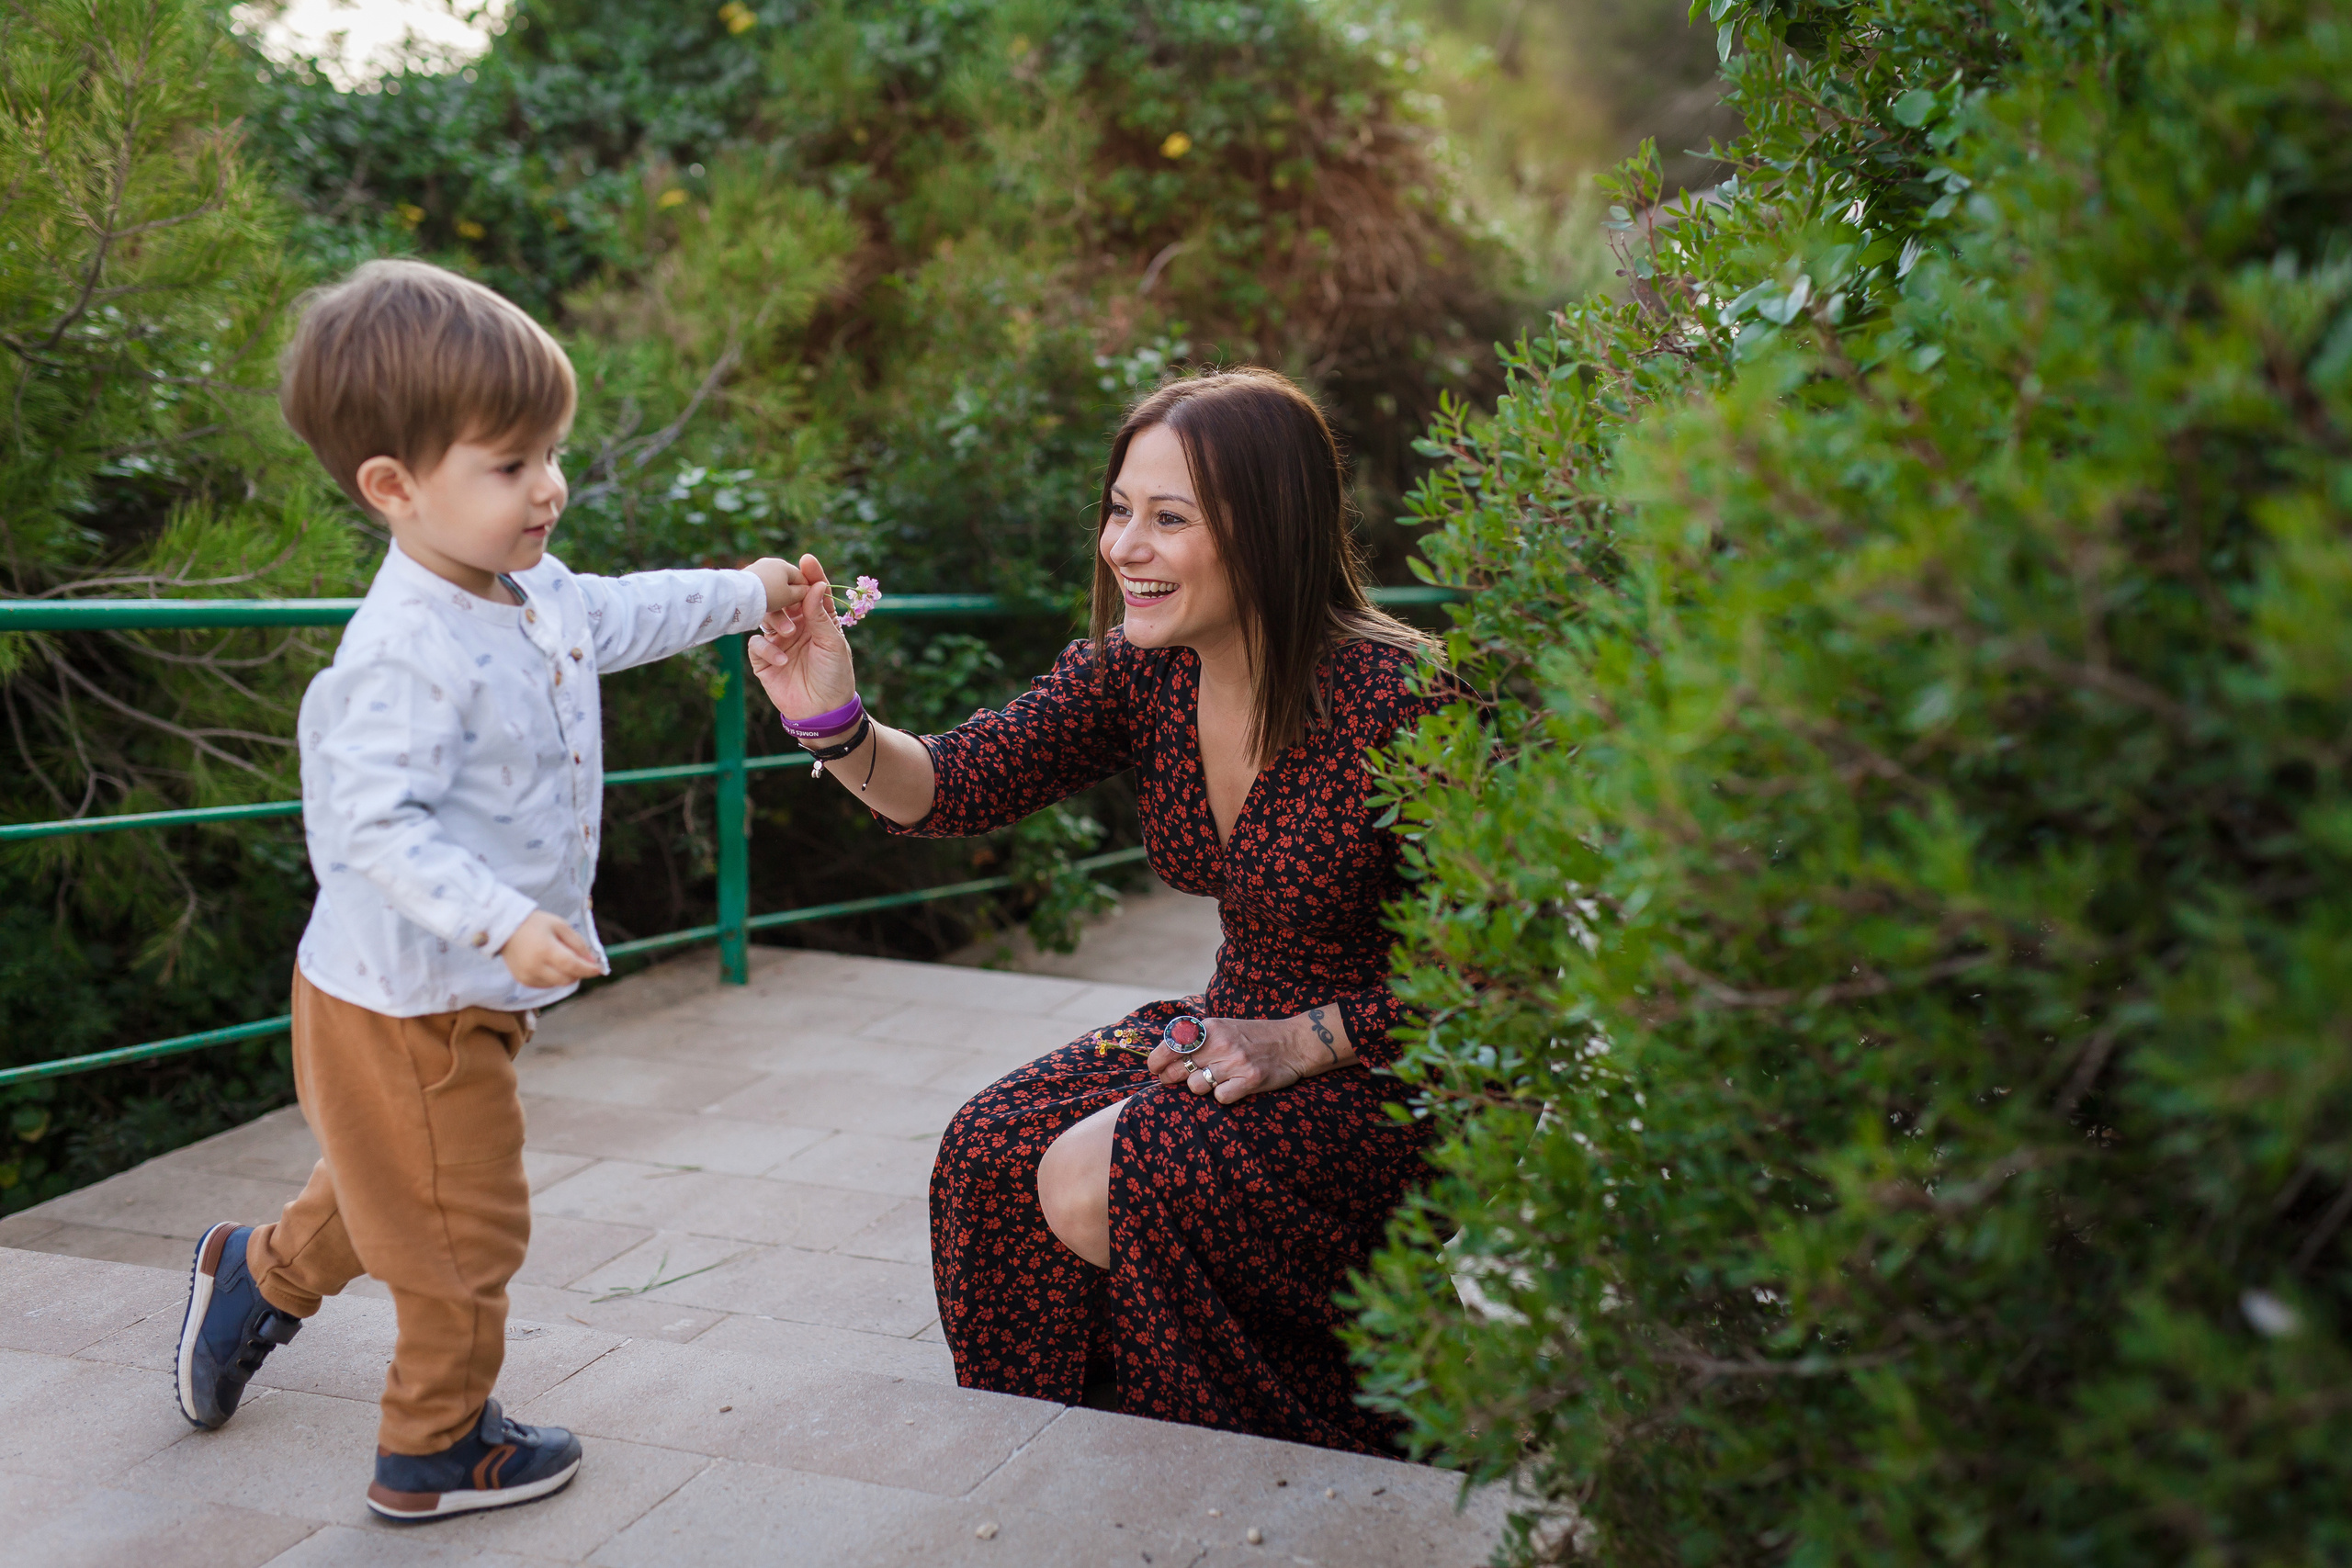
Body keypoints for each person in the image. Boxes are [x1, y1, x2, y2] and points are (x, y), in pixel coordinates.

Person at [171, 259, 803, 1521]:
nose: (549, 485)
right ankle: (436, 1444)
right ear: (395, 487)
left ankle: (255, 1275)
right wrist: (504, 918)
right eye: (511, 464)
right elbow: (371, 826)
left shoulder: (533, 589)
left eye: (550, 453)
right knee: (464, 1224)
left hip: (464, 987)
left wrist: (751, 593)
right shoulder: (401, 650)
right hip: (402, 996)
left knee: (395, 1181)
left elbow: (622, 611)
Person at [747, 368, 1453, 1452]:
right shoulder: (1142, 672)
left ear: (1271, 526)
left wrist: (1305, 1040)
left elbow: (1504, 969)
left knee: (1125, 1175)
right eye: (1119, 510)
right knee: (989, 1150)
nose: (1123, 545)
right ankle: (1083, 1444)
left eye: (1169, 518)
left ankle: (1289, 1441)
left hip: (1392, 1063)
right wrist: (831, 719)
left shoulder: (1403, 699)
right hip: (1233, 1024)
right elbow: (956, 782)